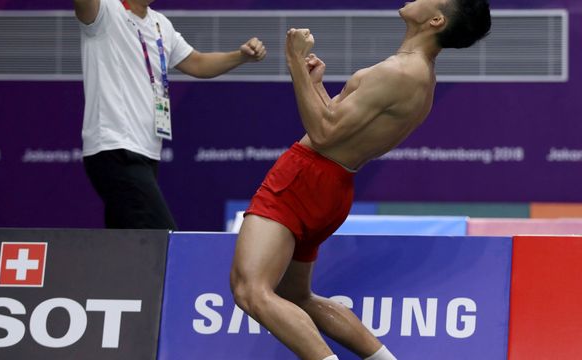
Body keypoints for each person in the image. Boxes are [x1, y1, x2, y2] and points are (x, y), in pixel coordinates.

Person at [230, 0, 491, 359]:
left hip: (305, 177)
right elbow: (340, 130)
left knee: (251, 290)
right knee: (296, 296)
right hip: (334, 186)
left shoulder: (400, 71)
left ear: (436, 20)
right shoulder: (423, 77)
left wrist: (293, 60)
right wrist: (315, 86)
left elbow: (322, 134)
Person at [73, 0, 267, 230]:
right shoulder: (104, 11)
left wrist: (241, 56)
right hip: (114, 147)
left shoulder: (159, 24)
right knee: (160, 237)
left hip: (146, 152)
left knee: (127, 244)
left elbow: (198, 63)